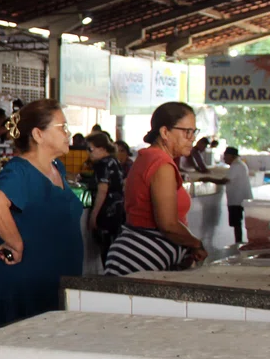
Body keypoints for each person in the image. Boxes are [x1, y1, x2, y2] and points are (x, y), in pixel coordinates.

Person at [0, 99, 84, 329]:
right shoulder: (20, 170)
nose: (68, 133)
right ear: (38, 134)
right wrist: (14, 243)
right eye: (62, 128)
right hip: (31, 281)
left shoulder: (56, 167)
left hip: (58, 277)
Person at [105, 102, 207, 275]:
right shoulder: (161, 164)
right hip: (140, 259)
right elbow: (168, 225)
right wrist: (196, 244)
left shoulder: (149, 157)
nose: (192, 138)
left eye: (194, 132)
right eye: (187, 132)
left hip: (137, 254)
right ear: (165, 132)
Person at [86, 133, 125, 264]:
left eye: (91, 149)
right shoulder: (114, 161)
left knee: (106, 250)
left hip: (106, 212)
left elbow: (102, 190)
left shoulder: (102, 164)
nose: (88, 153)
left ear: (102, 149)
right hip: (118, 211)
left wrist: (94, 215)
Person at [223, 147, 252, 243]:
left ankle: (238, 243)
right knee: (239, 224)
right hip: (241, 199)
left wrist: (208, 179)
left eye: (226, 156)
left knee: (237, 224)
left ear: (231, 156)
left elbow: (226, 180)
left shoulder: (236, 165)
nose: (224, 158)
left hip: (237, 200)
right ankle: (240, 243)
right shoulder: (240, 164)